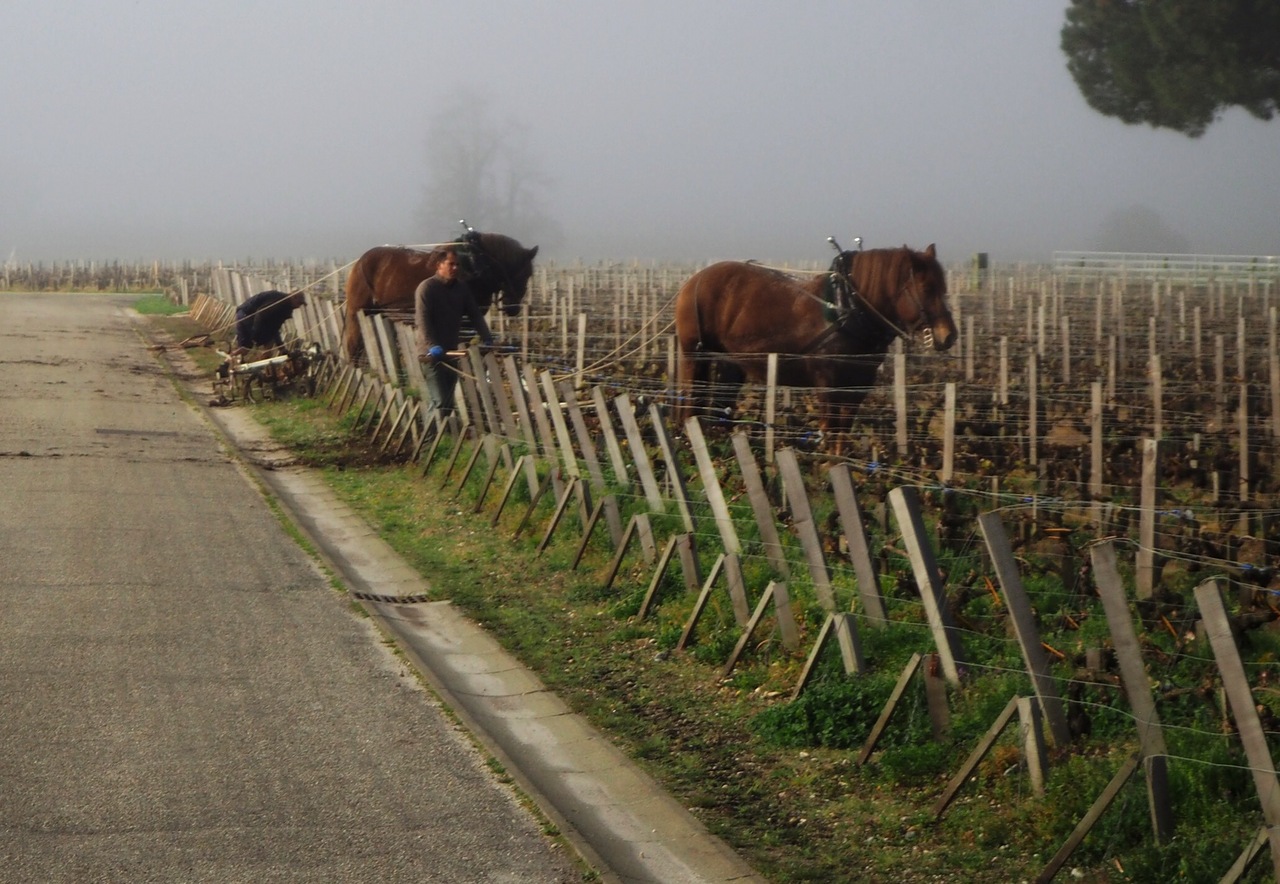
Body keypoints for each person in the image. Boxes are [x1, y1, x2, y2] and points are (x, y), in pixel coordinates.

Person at [415, 246, 493, 418]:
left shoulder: (462, 289)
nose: (455, 268)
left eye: (457, 264)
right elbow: (422, 320)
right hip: (430, 355)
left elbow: (475, 315)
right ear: (439, 265)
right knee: (439, 401)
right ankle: (429, 441)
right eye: (451, 264)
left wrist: (486, 336)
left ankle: (442, 439)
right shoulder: (427, 288)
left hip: (451, 352)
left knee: (448, 403)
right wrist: (432, 345)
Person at [234, 289, 306, 352]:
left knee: (247, 347)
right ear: (294, 297)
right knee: (250, 346)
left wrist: (281, 347)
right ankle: (229, 360)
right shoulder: (280, 301)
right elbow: (260, 315)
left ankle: (234, 360)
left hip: (249, 316)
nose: (298, 307)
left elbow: (274, 328)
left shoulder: (286, 307)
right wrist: (256, 336)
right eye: (299, 303)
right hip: (245, 314)